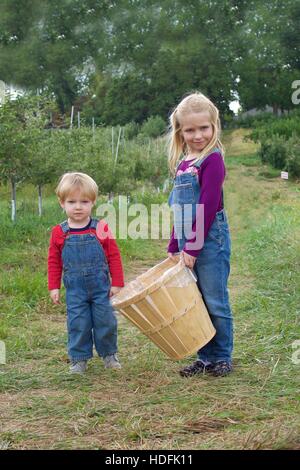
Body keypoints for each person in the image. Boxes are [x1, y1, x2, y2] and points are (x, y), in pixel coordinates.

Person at [167, 92, 233, 377]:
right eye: (190, 129)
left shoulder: (212, 160)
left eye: (203, 128)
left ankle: (222, 356)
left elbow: (206, 207)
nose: (198, 135)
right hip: (188, 241)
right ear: (180, 131)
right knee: (197, 302)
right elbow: (178, 209)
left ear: (214, 126)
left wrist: (192, 247)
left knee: (215, 300)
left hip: (209, 241)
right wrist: (174, 243)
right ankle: (205, 357)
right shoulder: (184, 163)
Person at [48, 172, 124, 374]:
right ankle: (79, 359)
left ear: (93, 202)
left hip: (101, 288)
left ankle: (109, 355)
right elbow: (54, 261)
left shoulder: (100, 227)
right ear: (62, 203)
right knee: (78, 323)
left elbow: (114, 256)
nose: (78, 206)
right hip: (76, 291)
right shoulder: (59, 232)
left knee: (105, 321)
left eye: (84, 201)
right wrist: (54, 286)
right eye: (72, 201)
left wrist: (117, 283)